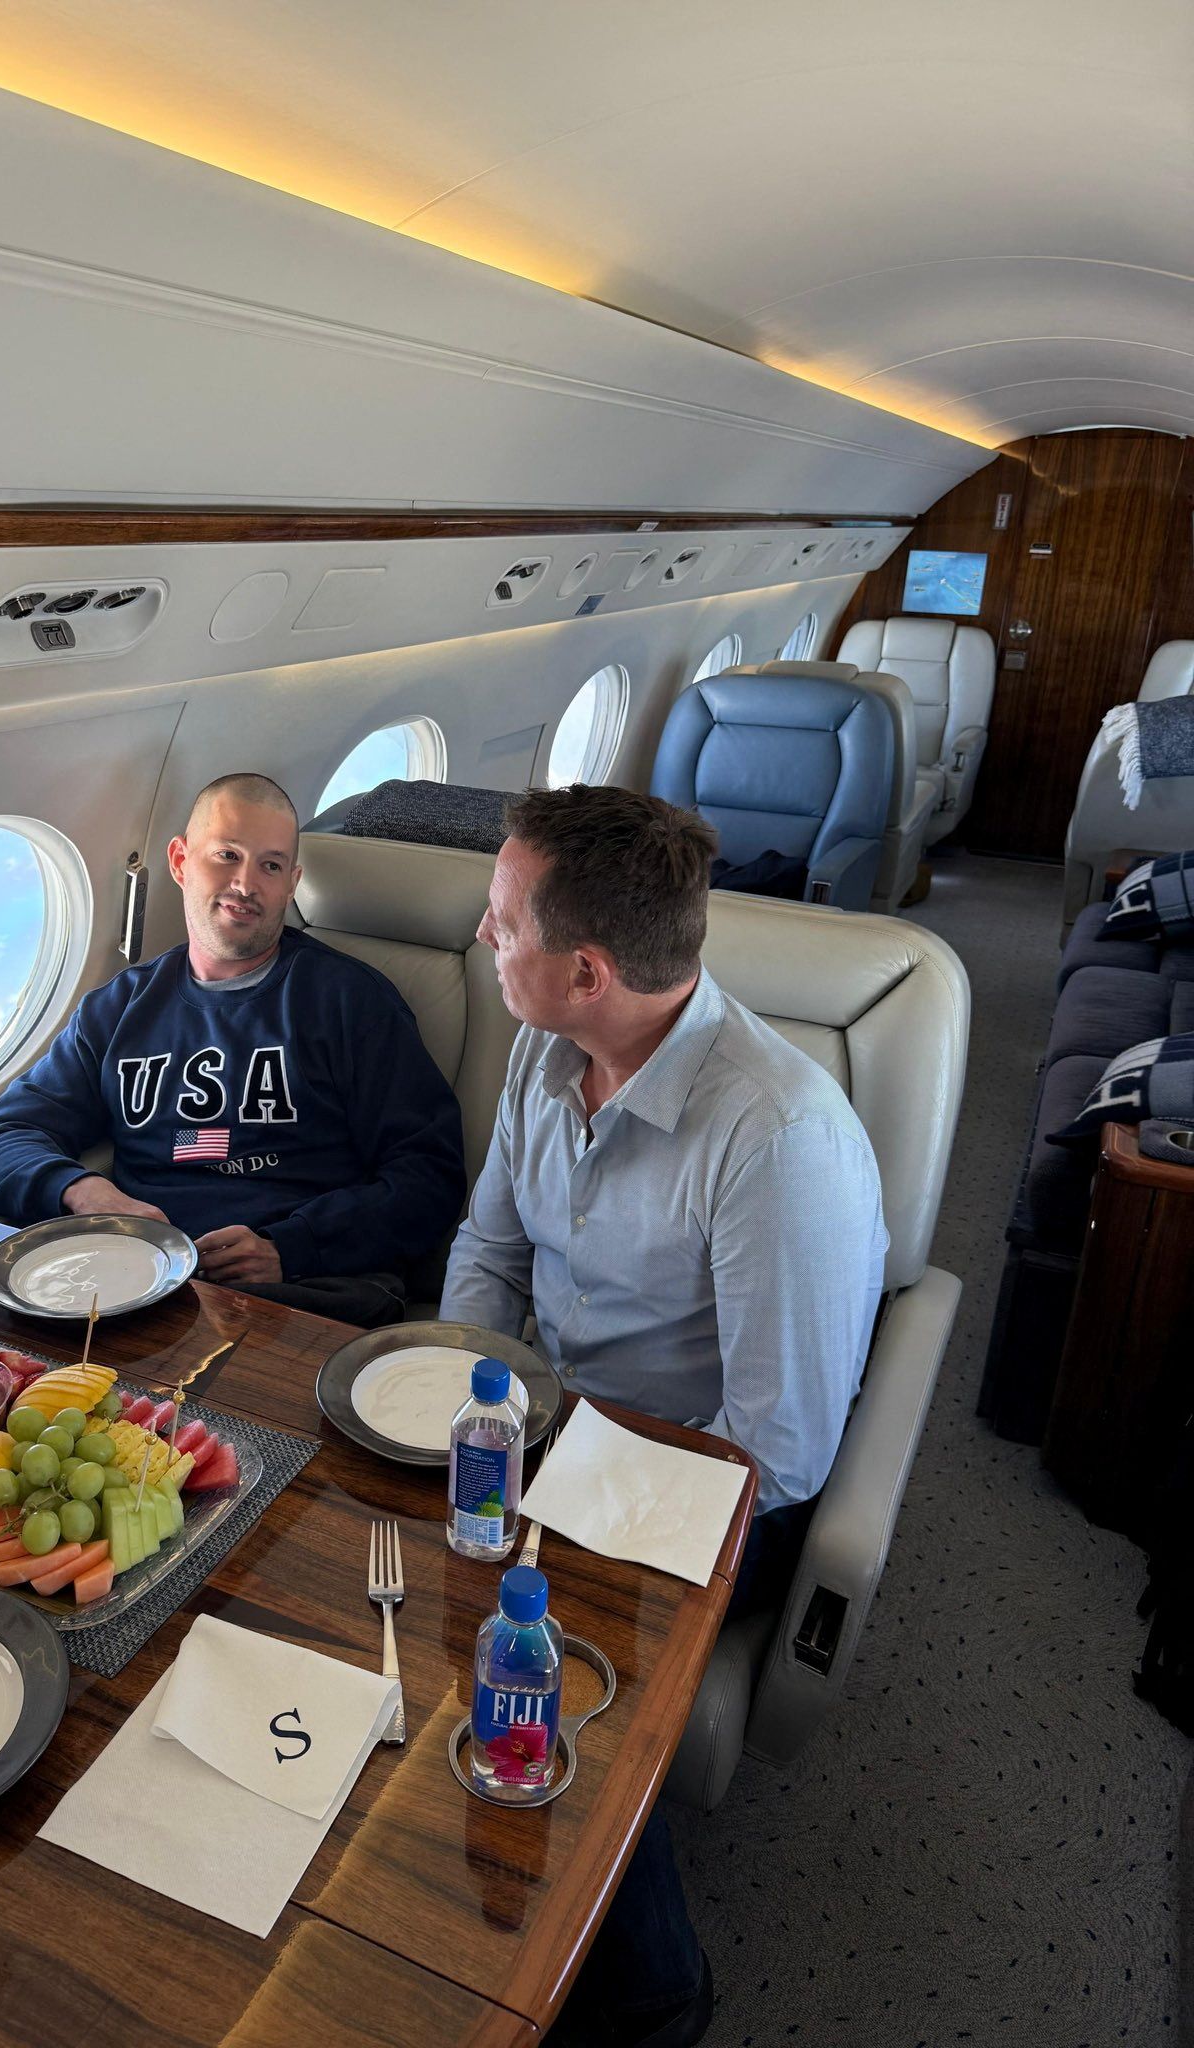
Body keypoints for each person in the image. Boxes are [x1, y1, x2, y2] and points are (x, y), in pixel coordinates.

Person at [440, 784, 888, 2046]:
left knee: (541, 1653)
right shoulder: (545, 1047)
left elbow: (777, 1455)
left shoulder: (777, 1136)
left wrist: (560, 1501)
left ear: (585, 968)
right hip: (550, 1436)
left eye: (500, 920)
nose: (482, 936)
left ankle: (654, 1997)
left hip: (706, 1492)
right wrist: (470, 1404)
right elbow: (488, 1251)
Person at [0, 773, 466, 1327]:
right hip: (136, 1285)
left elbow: (428, 1175)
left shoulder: (351, 1002)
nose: (246, 884)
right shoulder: (118, 1010)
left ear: (292, 882)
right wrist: (85, 1193)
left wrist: (291, 1247)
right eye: (227, 855)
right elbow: (1, 1140)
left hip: (305, 1293)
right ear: (180, 861)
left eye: (271, 866)